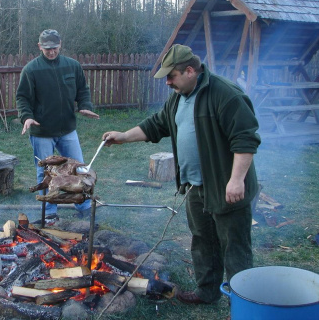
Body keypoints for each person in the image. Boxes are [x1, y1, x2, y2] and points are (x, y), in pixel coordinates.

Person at [102, 44, 261, 305]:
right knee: (203, 241)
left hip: (225, 185)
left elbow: (245, 139)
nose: (167, 82)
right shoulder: (178, 97)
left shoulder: (225, 94)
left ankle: (243, 303)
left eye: (171, 76)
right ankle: (207, 292)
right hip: (195, 186)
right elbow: (157, 124)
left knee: (235, 246)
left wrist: (236, 180)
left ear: (190, 71)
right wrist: (123, 137)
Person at [16, 29, 100, 220]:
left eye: (54, 48)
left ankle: (84, 207)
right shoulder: (31, 69)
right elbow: (22, 98)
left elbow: (82, 91)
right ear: (39, 47)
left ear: (60, 44)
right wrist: (26, 117)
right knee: (45, 174)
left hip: (67, 129)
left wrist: (85, 106)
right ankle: (50, 214)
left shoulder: (72, 66)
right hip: (42, 131)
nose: (51, 52)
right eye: (47, 49)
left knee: (80, 170)